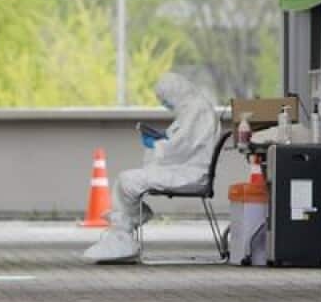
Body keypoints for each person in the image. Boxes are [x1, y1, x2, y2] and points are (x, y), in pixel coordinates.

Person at [82, 73, 220, 264]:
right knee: (126, 180)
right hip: (184, 169)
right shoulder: (191, 110)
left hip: (190, 174)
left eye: (165, 100)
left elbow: (181, 147)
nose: (165, 104)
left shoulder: (198, 111)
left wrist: (159, 143)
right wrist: (163, 138)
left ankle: (123, 232)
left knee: (128, 180)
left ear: (174, 92)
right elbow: (181, 141)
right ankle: (123, 231)